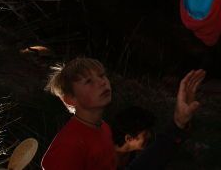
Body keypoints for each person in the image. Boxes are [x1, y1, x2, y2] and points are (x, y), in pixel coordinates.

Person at [41, 57, 204, 169]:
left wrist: (178, 123)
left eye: (102, 75)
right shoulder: (68, 146)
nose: (102, 82)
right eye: (89, 81)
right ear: (70, 99)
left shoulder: (103, 128)